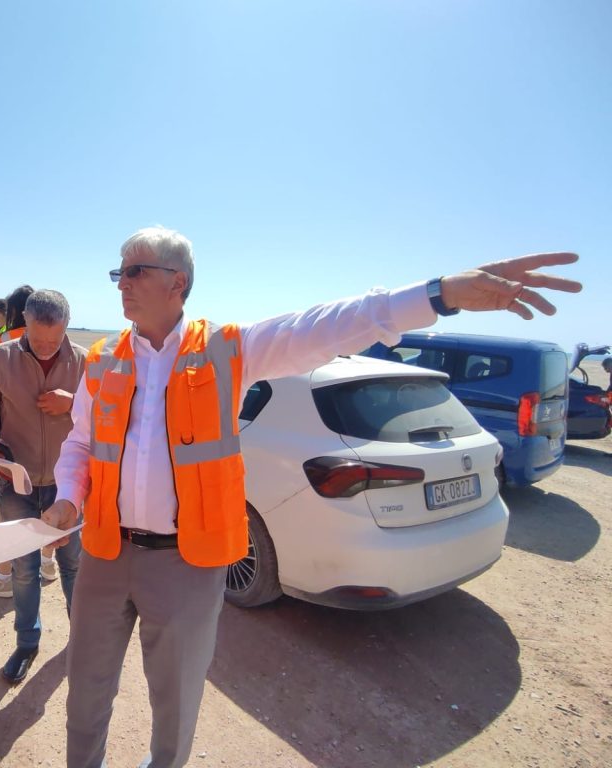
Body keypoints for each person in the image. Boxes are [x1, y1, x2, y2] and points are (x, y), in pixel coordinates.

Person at [43, 226, 582, 768]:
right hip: (106, 554)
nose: (121, 284)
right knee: (85, 696)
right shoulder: (103, 358)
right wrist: (69, 496)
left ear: (177, 282)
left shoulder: (227, 348)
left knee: (175, 705)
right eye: (120, 272)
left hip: (187, 562)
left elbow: (322, 326)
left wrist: (438, 293)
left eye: (134, 270)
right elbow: (82, 442)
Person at [0, 289, 86, 683]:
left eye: (55, 341)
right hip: (15, 482)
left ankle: (83, 640)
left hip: (66, 486)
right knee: (24, 568)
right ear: (27, 323)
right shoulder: (2, 356)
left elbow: (106, 418)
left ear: (67, 327)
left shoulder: (85, 362)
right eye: (38, 341)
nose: (46, 348)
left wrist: (73, 402)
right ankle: (26, 643)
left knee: (73, 565)